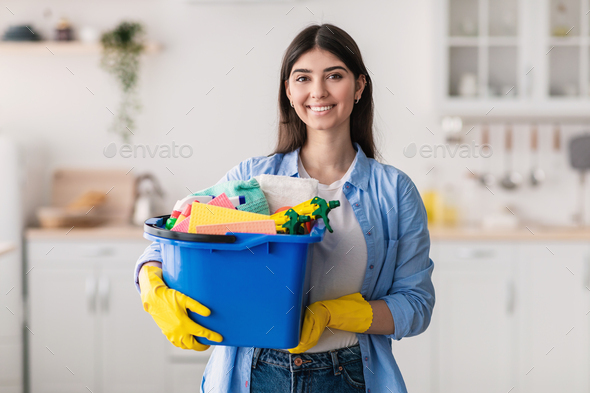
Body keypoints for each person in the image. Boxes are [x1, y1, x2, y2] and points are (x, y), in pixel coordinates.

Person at [134, 23, 435, 393]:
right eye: (303, 78)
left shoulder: (394, 191)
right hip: (254, 372)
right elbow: (177, 233)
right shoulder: (253, 180)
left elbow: (416, 304)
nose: (318, 91)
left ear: (359, 86)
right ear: (289, 92)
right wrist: (152, 286)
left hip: (349, 376)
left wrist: (333, 315)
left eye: (334, 76)